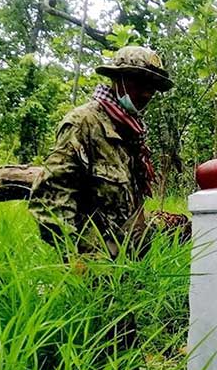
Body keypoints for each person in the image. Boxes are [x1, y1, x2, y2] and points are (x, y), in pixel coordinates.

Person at [29, 46, 173, 259]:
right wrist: (73, 259)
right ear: (118, 79)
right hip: (93, 265)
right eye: (139, 82)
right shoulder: (83, 124)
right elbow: (51, 200)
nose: (147, 92)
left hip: (130, 260)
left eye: (152, 86)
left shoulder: (132, 132)